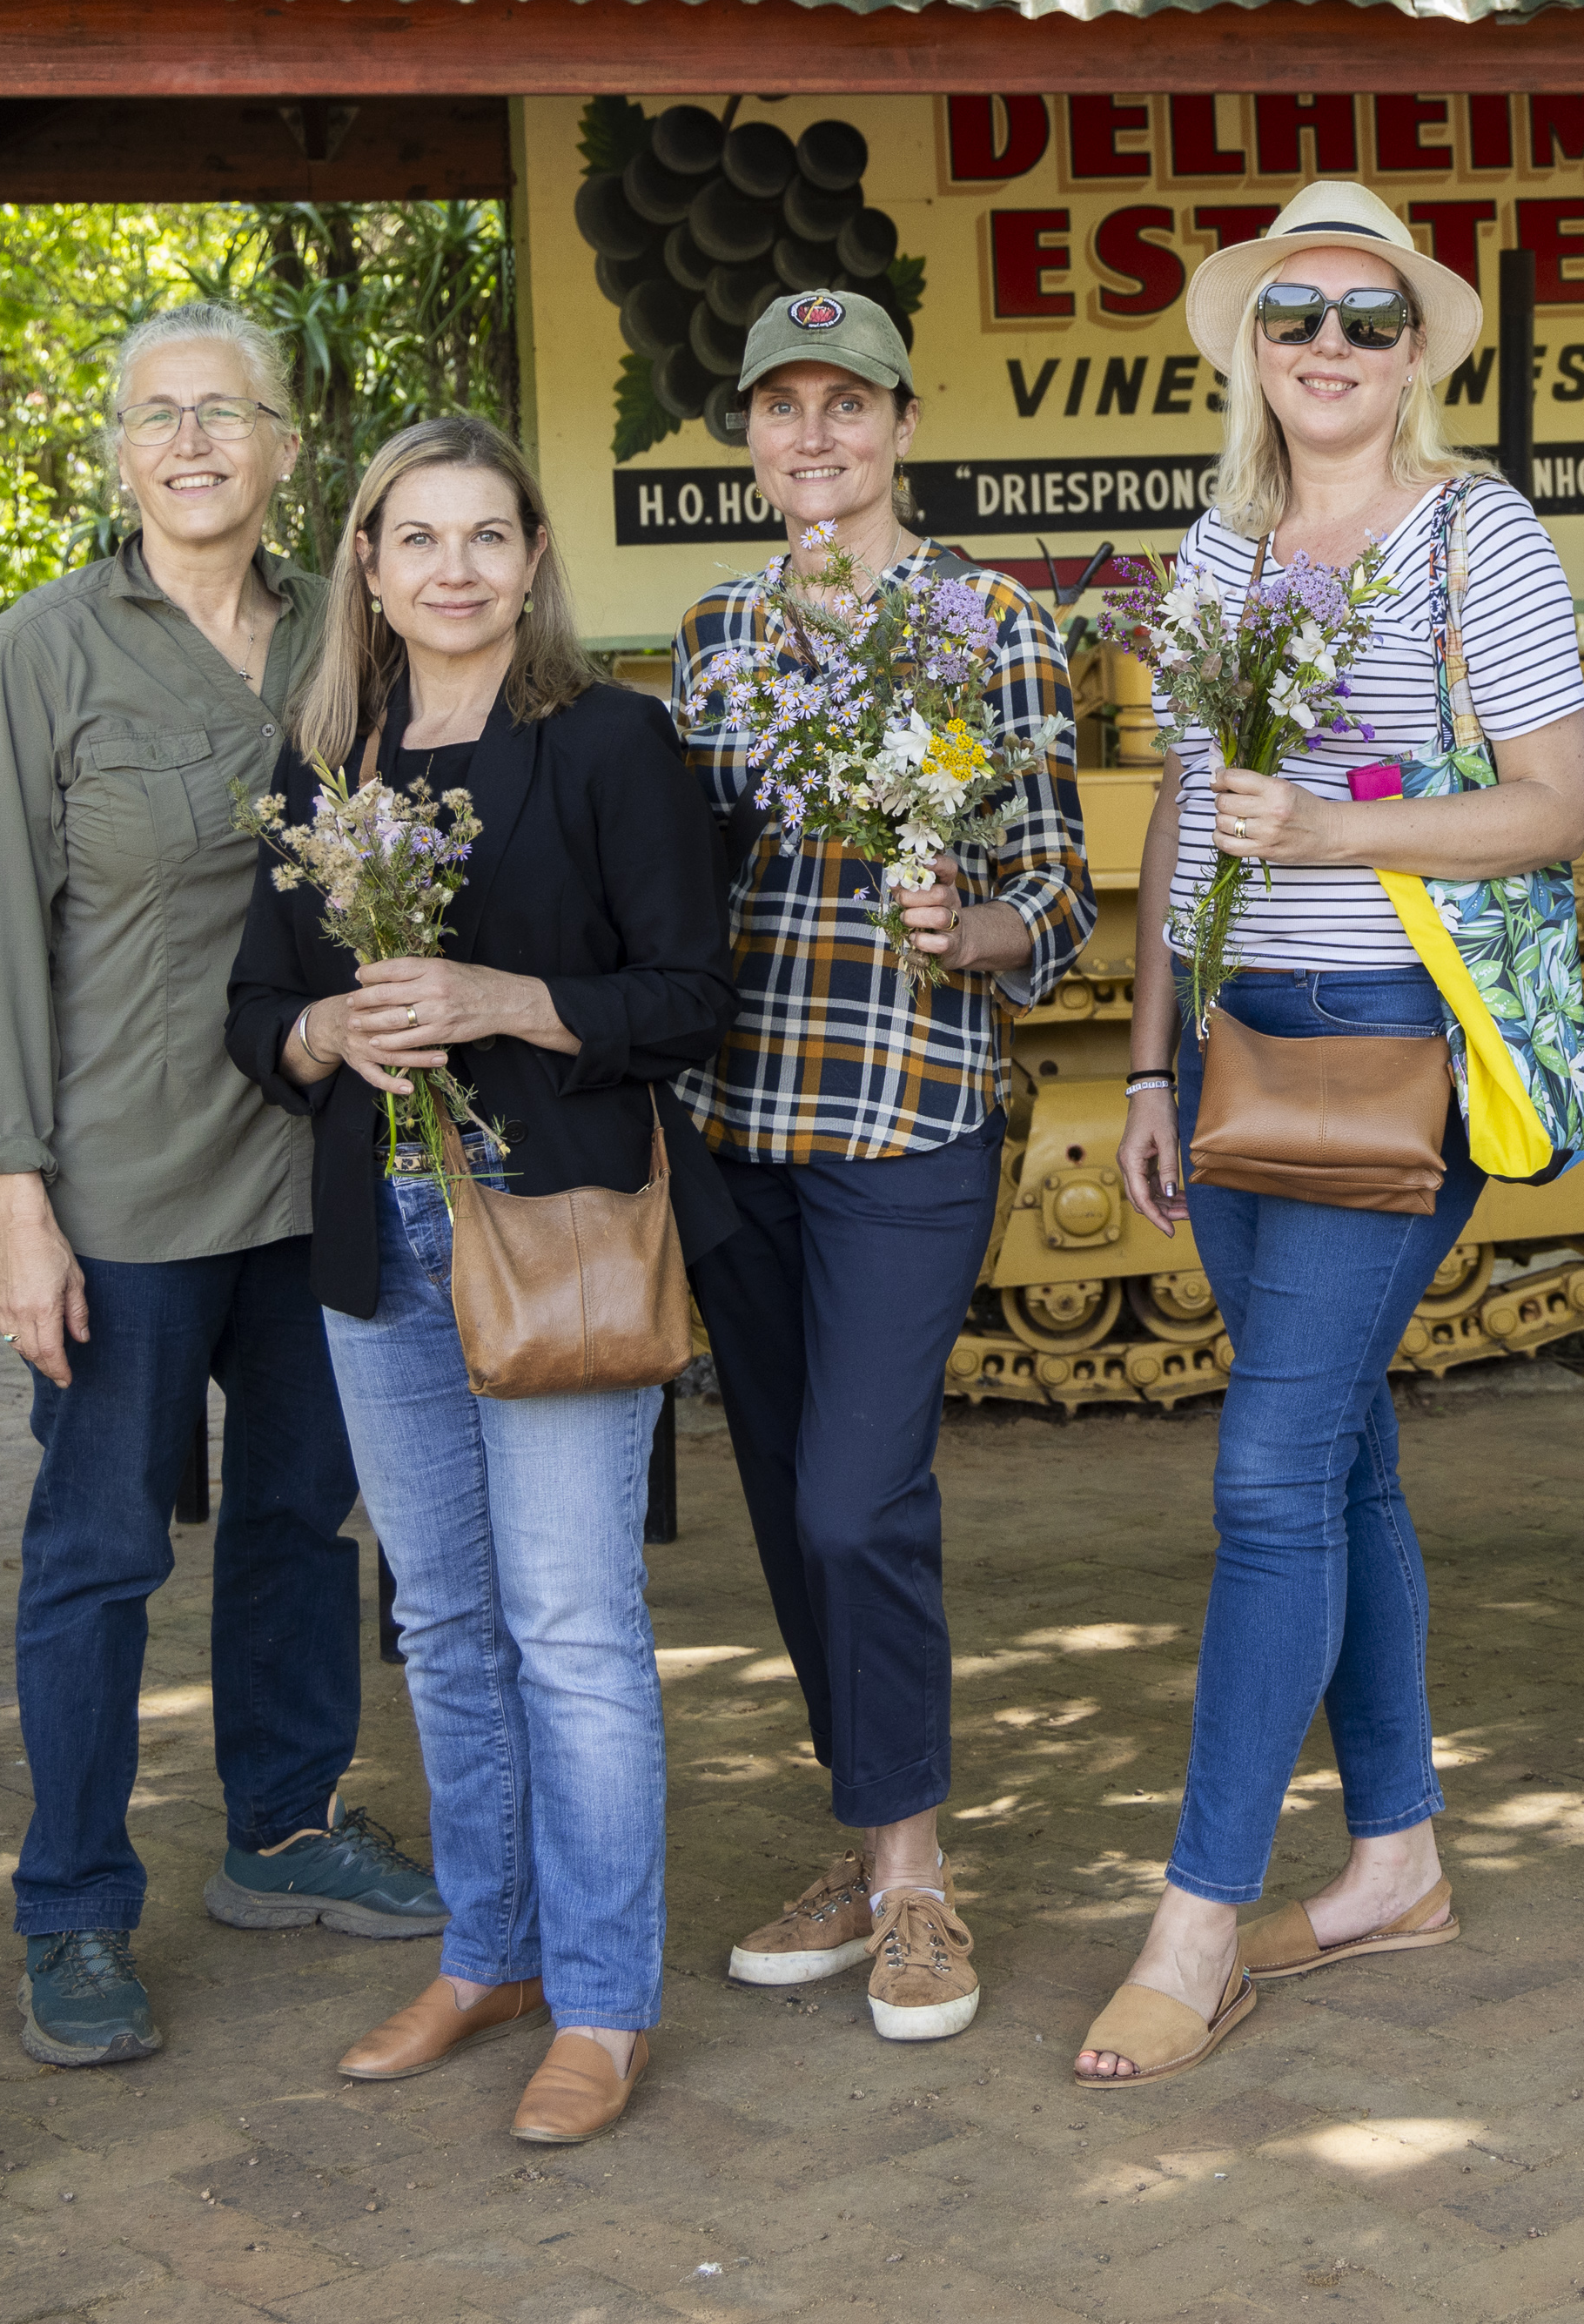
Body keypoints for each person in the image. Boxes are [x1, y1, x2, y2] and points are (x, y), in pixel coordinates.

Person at [1084, 180, 1584, 2086]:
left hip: (1400, 1047)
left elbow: (1557, 806)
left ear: (1415, 355)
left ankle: (1197, 1917)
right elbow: (1177, 822)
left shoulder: (1480, 539)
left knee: (1267, 1476)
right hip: (1237, 1052)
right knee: (1346, 1454)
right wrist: (1147, 1063)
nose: (1326, 344)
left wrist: (1345, 827)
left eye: (1367, 320)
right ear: (1248, 346)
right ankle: (1396, 1861)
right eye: (1293, 314)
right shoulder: (1216, 554)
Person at [0, 304, 445, 2072]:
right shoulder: (42, 654)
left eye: (227, 411)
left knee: (305, 1524)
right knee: (96, 1556)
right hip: (122, 1195)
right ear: (120, 452)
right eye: (159, 415)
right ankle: (72, 1906)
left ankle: (284, 1830)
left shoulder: (346, 635)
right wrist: (15, 1204)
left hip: (314, 1174)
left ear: (292, 447)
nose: (196, 440)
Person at [228, 416, 733, 2144]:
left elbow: (688, 994)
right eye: (414, 537)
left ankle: (601, 2000)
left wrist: (502, 996)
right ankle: (492, 1949)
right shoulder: (322, 771)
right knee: (439, 1619)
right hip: (378, 1242)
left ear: (531, 562)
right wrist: (321, 1025)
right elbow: (252, 1017)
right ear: (368, 567)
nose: (451, 567)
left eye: (484, 536)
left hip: (556, 1228)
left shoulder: (608, 742)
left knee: (571, 1626)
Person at [679, 287, 1092, 2044]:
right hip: (729, 1124)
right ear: (754, 438)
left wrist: (972, 923)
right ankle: (864, 1848)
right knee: (787, 1507)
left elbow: (1060, 898)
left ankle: (919, 1875)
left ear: (903, 425)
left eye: (848, 406)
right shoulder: (712, 629)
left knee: (862, 1496)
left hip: (906, 1119)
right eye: (785, 408)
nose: (816, 438)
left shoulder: (993, 622)